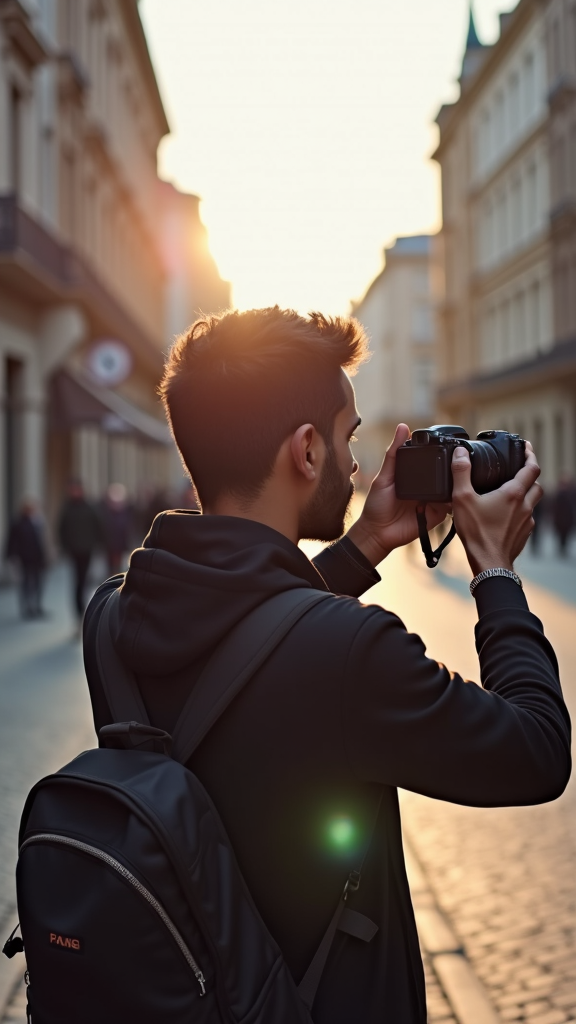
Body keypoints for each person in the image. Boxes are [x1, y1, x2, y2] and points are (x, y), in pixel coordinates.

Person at [83, 307, 570, 1023]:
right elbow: (536, 751)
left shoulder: (112, 616)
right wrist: (495, 575)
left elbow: (253, 642)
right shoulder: (353, 652)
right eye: (348, 439)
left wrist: (365, 545)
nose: (354, 465)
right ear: (306, 450)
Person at [58, 480, 102, 628]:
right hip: (74, 551)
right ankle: (79, 612)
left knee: (84, 581)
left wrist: (98, 544)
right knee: (78, 582)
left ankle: (84, 609)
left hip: (87, 550)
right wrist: (64, 547)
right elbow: (61, 529)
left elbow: (98, 526)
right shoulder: (67, 508)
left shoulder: (89, 507)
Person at [5, 499, 47, 618]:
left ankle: (37, 606)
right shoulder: (18, 523)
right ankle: (27, 607)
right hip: (25, 558)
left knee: (38, 583)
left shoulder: (38, 521)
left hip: (38, 558)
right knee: (26, 583)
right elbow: (11, 540)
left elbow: (42, 541)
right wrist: (10, 556)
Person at [99, 483, 133, 575]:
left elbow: (127, 530)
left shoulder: (126, 512)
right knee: (110, 566)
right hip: (109, 544)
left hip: (120, 544)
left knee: (119, 565)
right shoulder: (105, 513)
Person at [551, 474, 576, 557]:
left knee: (566, 534)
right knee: (561, 534)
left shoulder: (571, 493)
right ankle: (562, 548)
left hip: (567, 518)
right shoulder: (560, 494)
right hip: (561, 518)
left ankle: (563, 547)